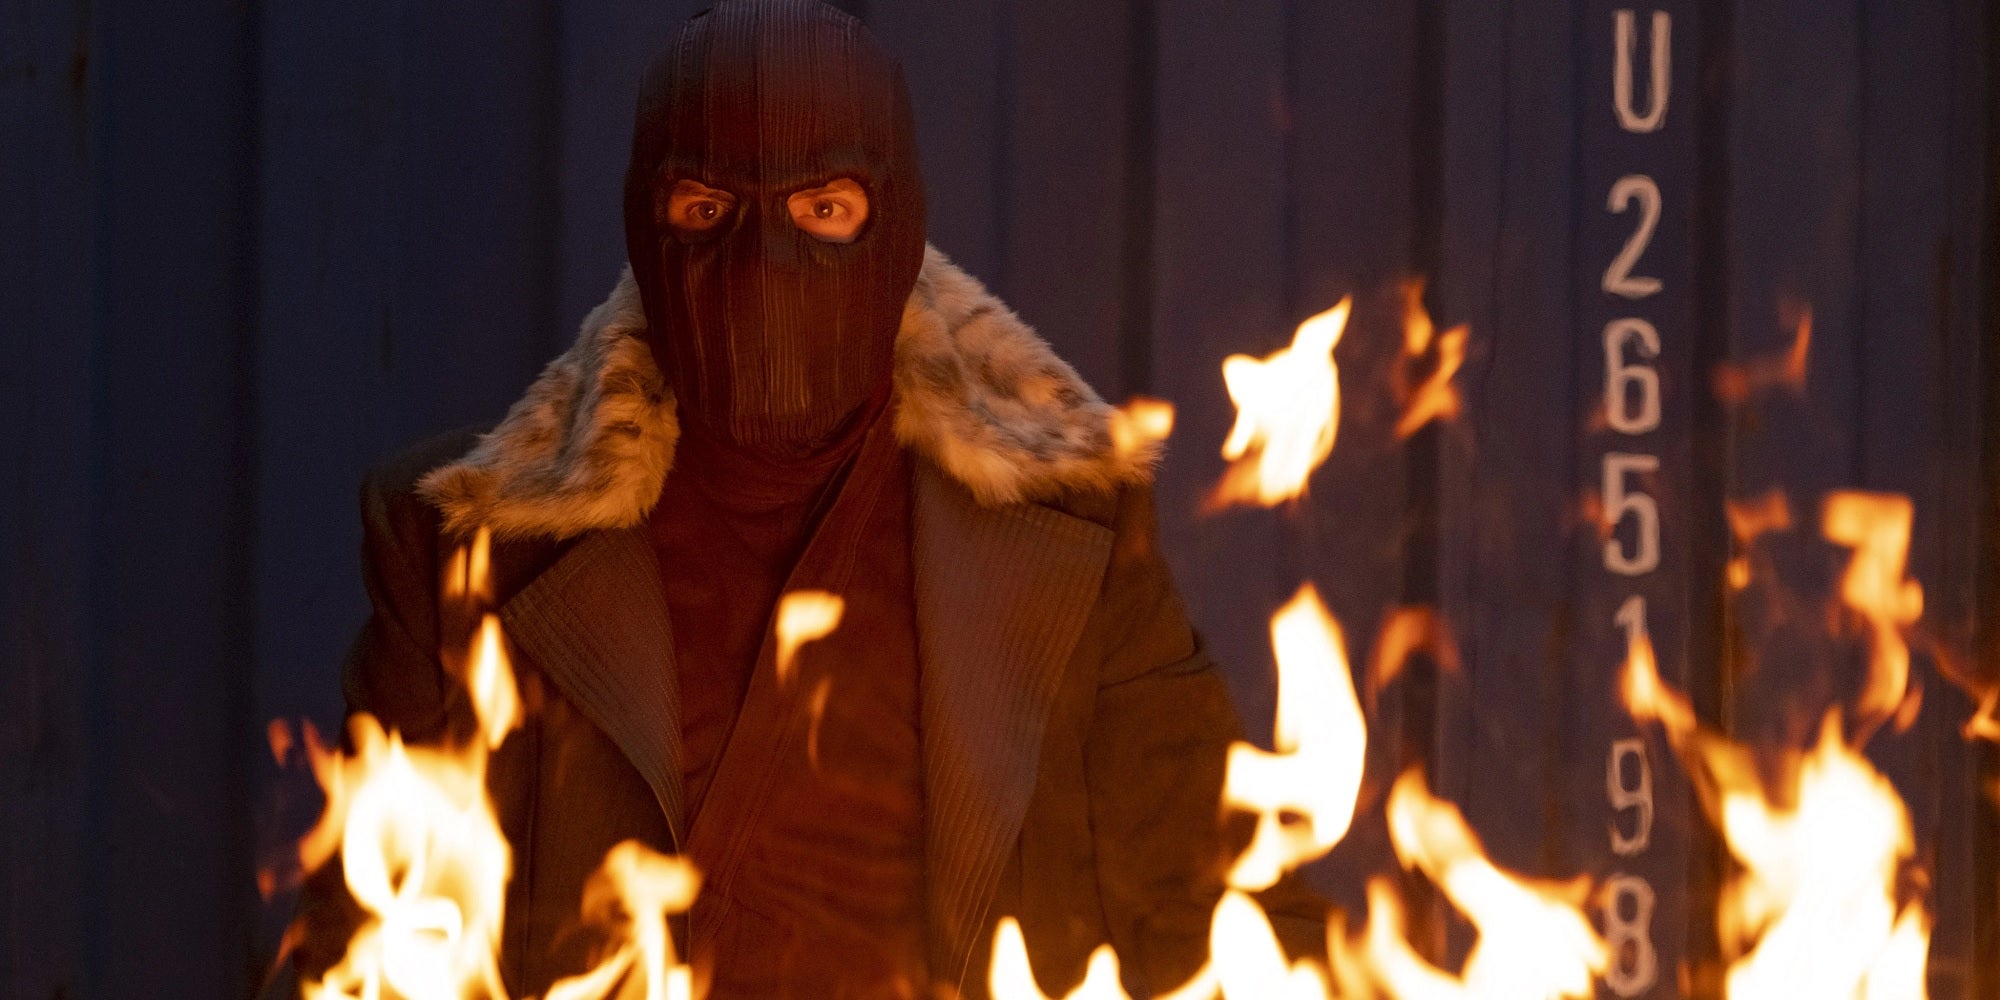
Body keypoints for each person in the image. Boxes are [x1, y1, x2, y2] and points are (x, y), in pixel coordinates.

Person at [296, 1, 1322, 996]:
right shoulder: (465, 550)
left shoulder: (1070, 534)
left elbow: (1225, 901)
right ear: (646, 232)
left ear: (899, 227)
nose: (763, 264)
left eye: (823, 208)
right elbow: (361, 948)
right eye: (707, 210)